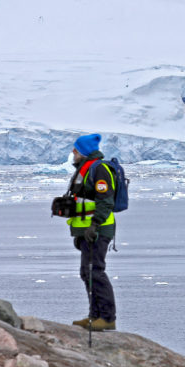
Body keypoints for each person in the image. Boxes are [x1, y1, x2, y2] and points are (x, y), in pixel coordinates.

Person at [65, 134, 118, 332]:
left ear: (84, 152)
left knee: (95, 271)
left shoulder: (100, 170)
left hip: (98, 229)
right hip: (86, 230)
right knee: (87, 272)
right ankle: (94, 315)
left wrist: (94, 225)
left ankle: (106, 317)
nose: (73, 152)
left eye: (76, 150)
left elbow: (105, 201)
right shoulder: (84, 170)